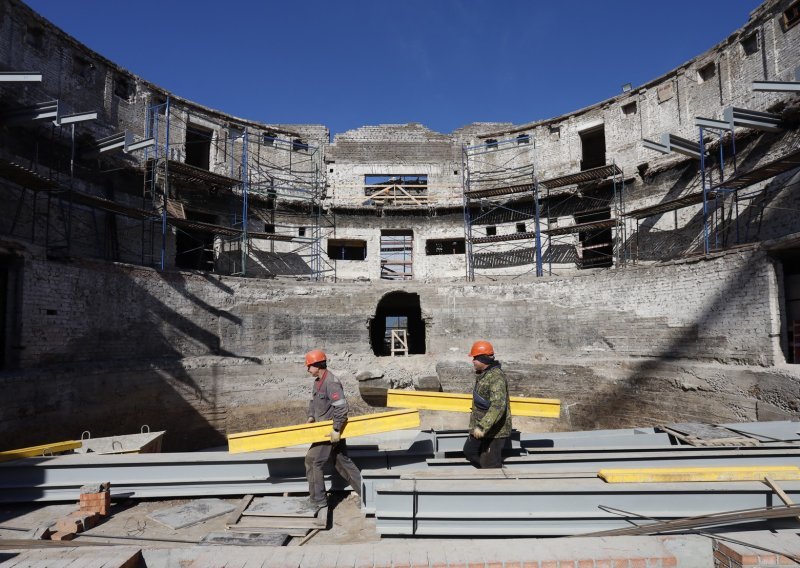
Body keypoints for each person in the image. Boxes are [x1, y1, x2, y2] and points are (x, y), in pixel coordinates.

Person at [303, 349, 362, 506]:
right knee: (342, 463)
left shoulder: (331, 382)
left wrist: (336, 429)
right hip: (323, 429)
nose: (307, 369)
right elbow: (313, 402)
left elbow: (341, 408)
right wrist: (311, 416)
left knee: (312, 461)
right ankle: (368, 495)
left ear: (317, 365)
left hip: (329, 432)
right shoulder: (318, 382)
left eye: (309, 366)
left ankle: (318, 500)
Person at [463, 340, 512, 469]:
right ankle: (489, 469)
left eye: (475, 358)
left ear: (483, 359)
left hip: (494, 431)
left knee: (489, 464)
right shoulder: (484, 375)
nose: (472, 361)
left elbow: (498, 406)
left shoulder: (496, 378)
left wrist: (482, 427)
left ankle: (495, 474)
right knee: (469, 451)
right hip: (480, 427)